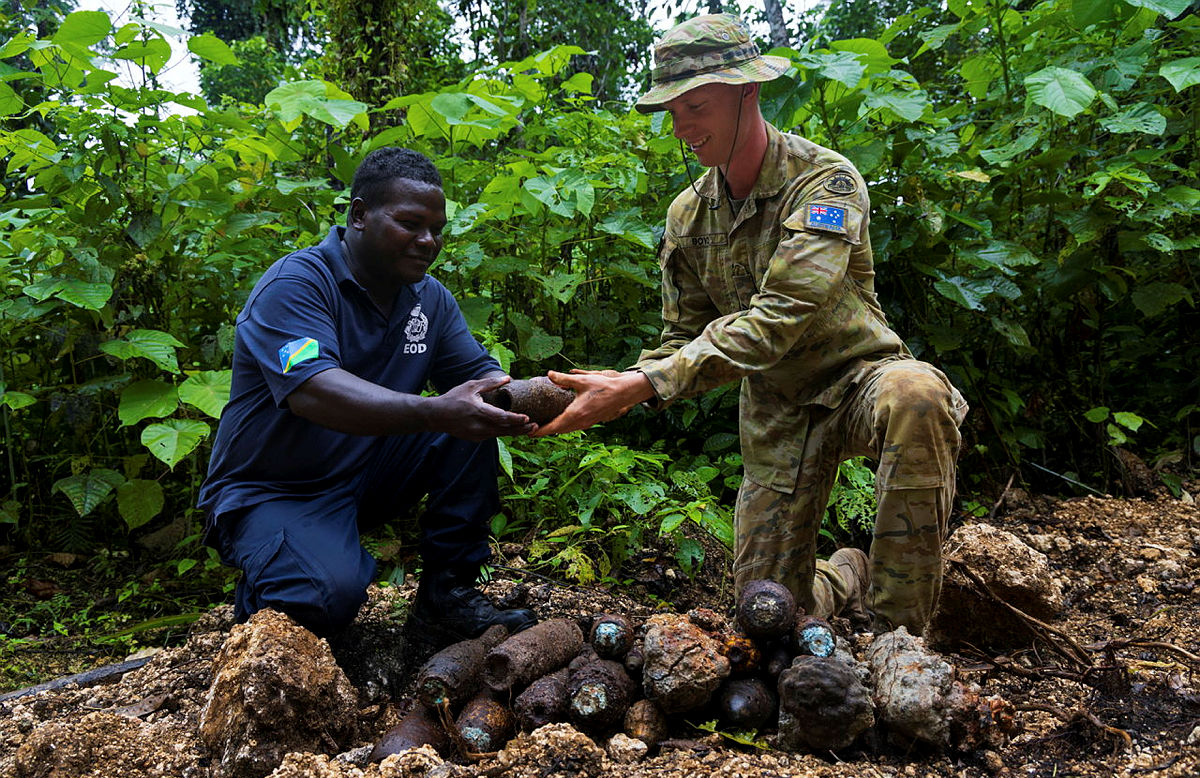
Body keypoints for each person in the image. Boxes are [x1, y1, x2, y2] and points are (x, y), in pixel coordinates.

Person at [535, 14, 968, 635]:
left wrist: (646, 383)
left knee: (918, 395)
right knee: (766, 616)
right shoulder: (687, 215)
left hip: (858, 379)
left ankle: (897, 639)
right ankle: (848, 575)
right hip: (776, 407)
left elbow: (781, 317)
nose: (682, 128)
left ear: (748, 93)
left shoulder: (826, 181)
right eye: (672, 111)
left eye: (696, 106)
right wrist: (628, 384)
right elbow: (680, 341)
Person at [198, 147, 538, 642]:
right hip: (273, 488)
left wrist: (574, 394)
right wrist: (436, 412)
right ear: (359, 215)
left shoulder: (429, 299)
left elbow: (482, 380)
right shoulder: (297, 284)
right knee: (321, 600)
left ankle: (447, 597)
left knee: (472, 423)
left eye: (436, 229)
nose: (428, 241)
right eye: (410, 223)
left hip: (363, 472)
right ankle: (264, 605)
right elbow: (313, 391)